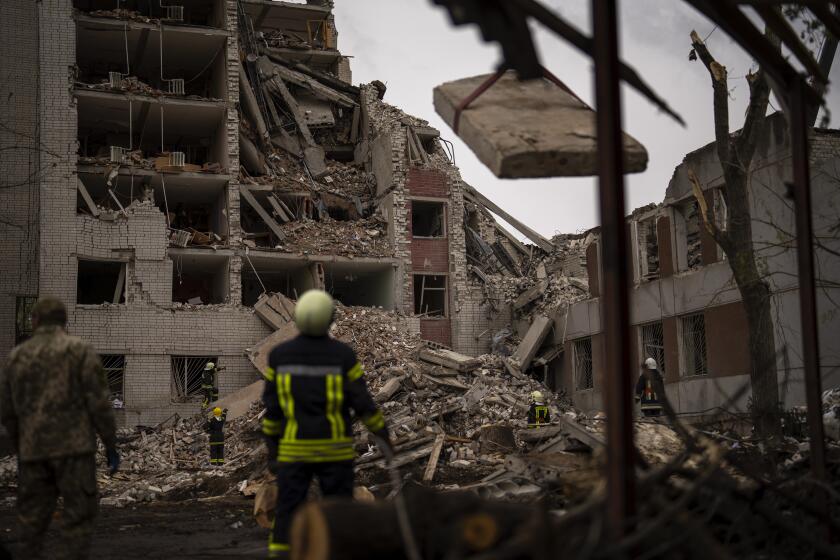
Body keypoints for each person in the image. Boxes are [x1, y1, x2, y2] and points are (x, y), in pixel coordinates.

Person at [262, 290, 392, 559]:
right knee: (339, 513)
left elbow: (273, 412)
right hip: (335, 451)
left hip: (294, 450)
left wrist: (273, 451)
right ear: (329, 319)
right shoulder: (342, 356)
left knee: (287, 512)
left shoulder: (280, 357)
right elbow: (363, 403)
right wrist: (382, 434)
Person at [0, 297, 119, 560]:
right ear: (64, 321)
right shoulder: (80, 351)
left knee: (32, 522)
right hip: (74, 451)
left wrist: (21, 444)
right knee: (77, 519)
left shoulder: (17, 356)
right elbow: (99, 402)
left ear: (36, 320)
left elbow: (7, 411)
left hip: (34, 452)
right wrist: (110, 443)